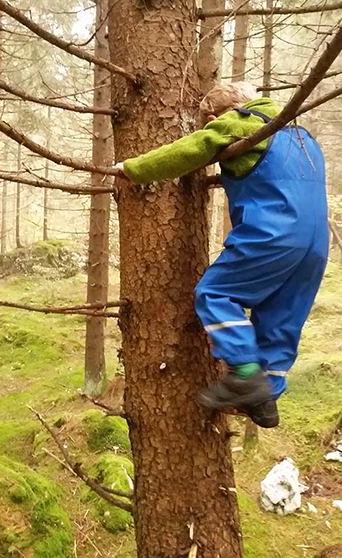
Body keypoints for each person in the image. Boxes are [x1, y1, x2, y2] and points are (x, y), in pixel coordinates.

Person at [113, 81, 329, 428]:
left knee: (216, 293)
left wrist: (134, 169)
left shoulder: (239, 122)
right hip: (316, 247)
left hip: (273, 234)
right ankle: (264, 398)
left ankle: (244, 373)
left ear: (214, 117)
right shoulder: (302, 137)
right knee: (279, 317)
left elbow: (189, 150)